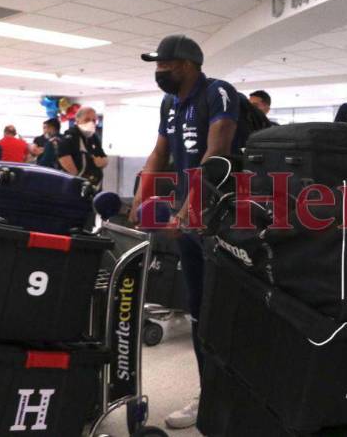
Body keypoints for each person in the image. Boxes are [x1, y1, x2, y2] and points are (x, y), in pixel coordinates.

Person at [130, 34, 240, 430]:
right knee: (197, 308)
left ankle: (234, 391)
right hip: (189, 218)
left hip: (223, 218)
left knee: (225, 308)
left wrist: (190, 206)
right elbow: (160, 152)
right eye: (157, 65)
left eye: (166, 64)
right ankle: (207, 390)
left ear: (189, 64)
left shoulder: (218, 93)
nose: (159, 71)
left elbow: (217, 152)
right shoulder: (169, 103)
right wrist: (139, 199)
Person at [57, 107, 108, 190]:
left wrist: (103, 162)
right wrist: (78, 179)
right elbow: (63, 158)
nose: (91, 123)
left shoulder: (93, 137)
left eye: (94, 120)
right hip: (75, 185)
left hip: (94, 185)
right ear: (77, 121)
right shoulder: (70, 136)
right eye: (87, 120)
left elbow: (104, 157)